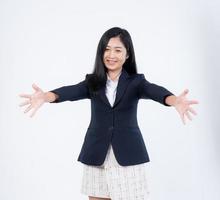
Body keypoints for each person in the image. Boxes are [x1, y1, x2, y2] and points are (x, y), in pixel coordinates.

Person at [19, 27, 199, 200]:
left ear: (127, 54)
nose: (111, 55)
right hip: (97, 153)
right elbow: (69, 92)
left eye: (118, 50)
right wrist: (45, 96)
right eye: (107, 49)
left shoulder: (136, 82)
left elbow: (156, 92)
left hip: (128, 154)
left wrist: (175, 100)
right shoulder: (93, 82)